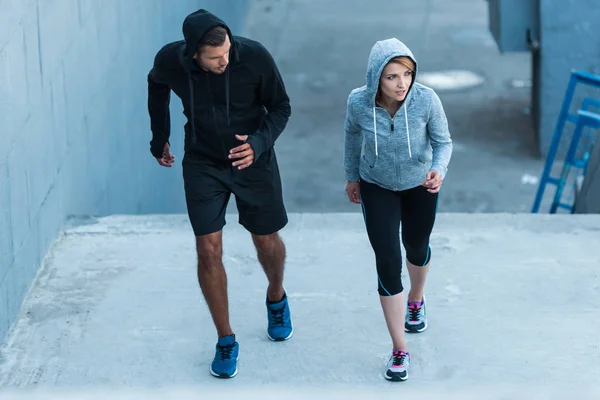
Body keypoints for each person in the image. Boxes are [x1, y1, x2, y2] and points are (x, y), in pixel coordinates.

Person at [147, 9, 293, 379]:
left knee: (266, 241)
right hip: (202, 162)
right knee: (208, 248)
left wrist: (258, 143)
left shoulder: (254, 56)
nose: (224, 61)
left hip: (251, 160)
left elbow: (281, 107)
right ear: (194, 53)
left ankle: (276, 296)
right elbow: (156, 83)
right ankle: (225, 338)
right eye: (214, 58)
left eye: (226, 53)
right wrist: (159, 135)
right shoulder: (170, 59)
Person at [343, 38, 452, 381]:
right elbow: (351, 136)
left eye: (406, 74)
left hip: (420, 184)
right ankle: (399, 349)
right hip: (376, 186)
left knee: (416, 247)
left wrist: (439, 170)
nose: (402, 83)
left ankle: (416, 300)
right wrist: (351, 177)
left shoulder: (426, 99)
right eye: (391, 76)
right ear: (376, 77)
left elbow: (443, 142)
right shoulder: (358, 102)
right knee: (388, 261)